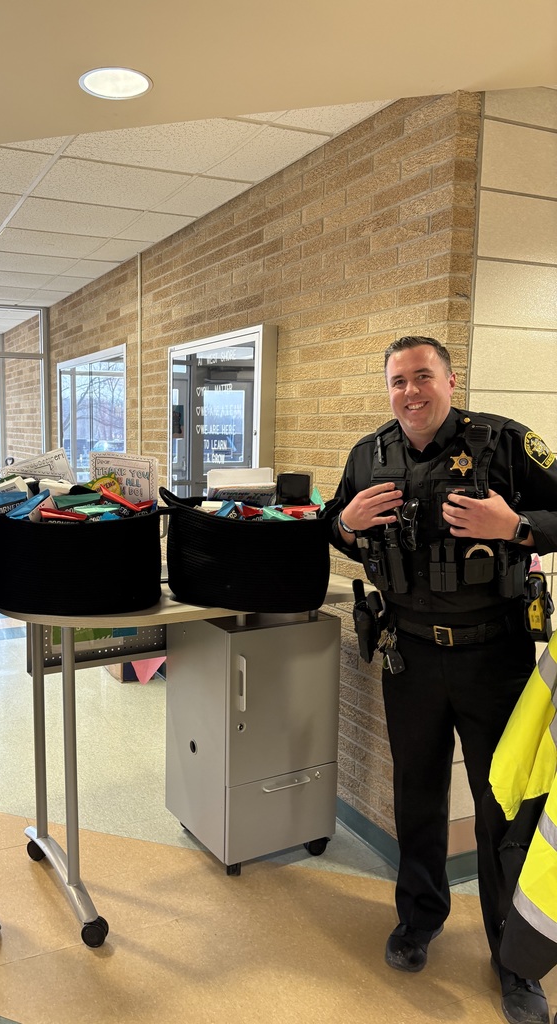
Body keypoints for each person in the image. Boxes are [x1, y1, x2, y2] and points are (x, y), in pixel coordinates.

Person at [324, 336, 557, 1024]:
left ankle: (516, 959)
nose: (410, 392)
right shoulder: (368, 455)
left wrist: (516, 526)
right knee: (417, 792)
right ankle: (419, 917)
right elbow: (331, 531)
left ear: (451, 380)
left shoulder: (508, 443)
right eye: (398, 381)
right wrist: (343, 521)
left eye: (423, 376)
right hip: (411, 656)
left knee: (504, 807)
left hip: (497, 657)